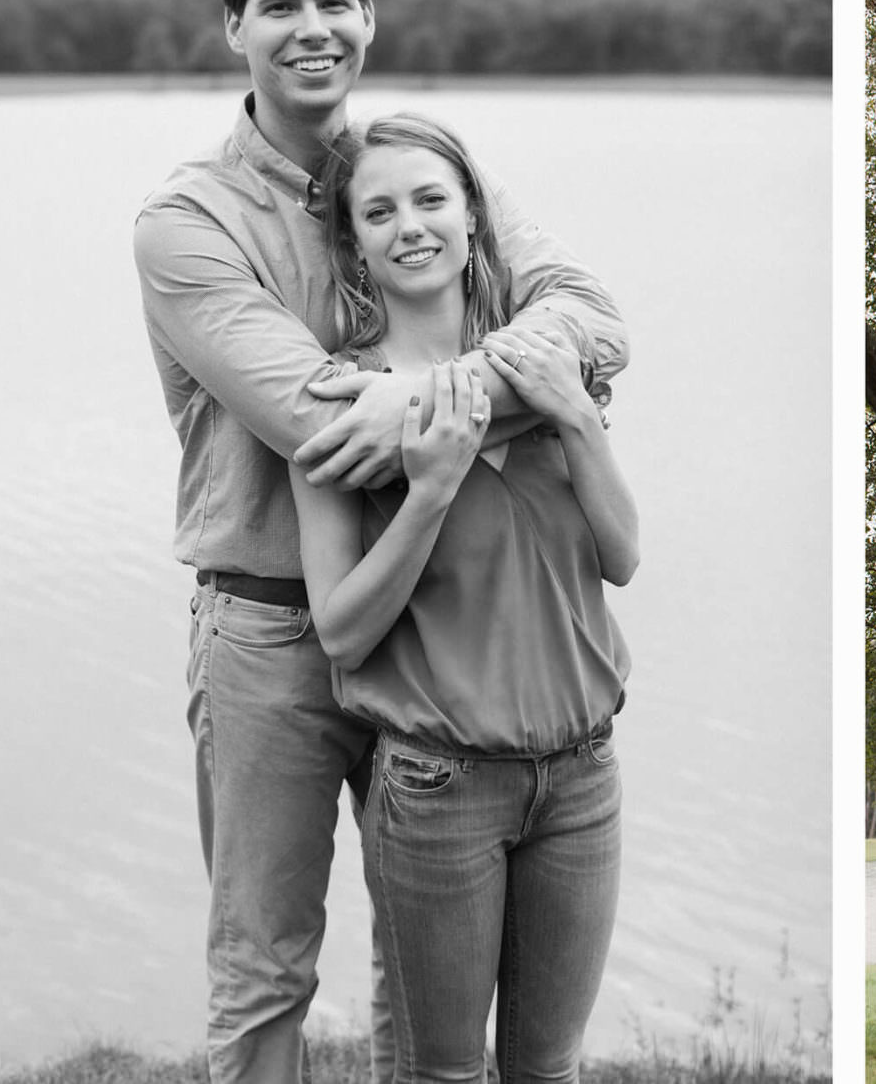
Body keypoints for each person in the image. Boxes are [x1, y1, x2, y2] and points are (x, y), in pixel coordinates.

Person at [133, 0, 627, 1084]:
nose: (315, 29)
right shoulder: (186, 222)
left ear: (368, 19)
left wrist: (469, 387)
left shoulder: (412, 170)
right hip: (274, 633)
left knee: (422, 988)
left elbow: (595, 320)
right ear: (234, 29)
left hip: (440, 628)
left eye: (335, 3)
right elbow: (319, 420)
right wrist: (531, 390)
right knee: (265, 970)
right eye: (283, 6)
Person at [291, 112, 635, 1082]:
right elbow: (342, 630)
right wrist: (429, 489)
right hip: (439, 789)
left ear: (474, 218)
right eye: (380, 209)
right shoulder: (341, 407)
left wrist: (575, 416)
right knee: (441, 1074)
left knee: (548, 1067)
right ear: (352, 242)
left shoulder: (541, 367)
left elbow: (621, 557)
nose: (411, 225)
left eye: (431, 199)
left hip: (581, 779)